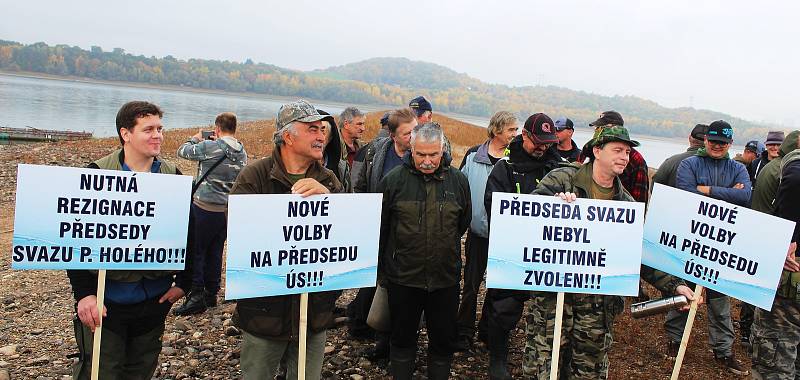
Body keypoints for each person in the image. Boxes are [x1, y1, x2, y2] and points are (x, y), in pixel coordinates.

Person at [524, 126, 697, 379]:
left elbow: (638, 252)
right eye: (617, 150)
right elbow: (524, 221)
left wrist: (675, 286)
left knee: (588, 373)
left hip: (596, 310)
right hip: (554, 301)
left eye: (627, 152)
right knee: (543, 369)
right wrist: (552, 207)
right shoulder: (562, 179)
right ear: (596, 151)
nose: (624, 157)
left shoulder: (624, 204)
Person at [68, 101, 191, 379]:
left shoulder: (172, 176)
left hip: (154, 300)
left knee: (141, 370)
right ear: (126, 134)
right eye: (148, 129)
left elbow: (189, 232)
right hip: (107, 301)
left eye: (160, 128)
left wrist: (185, 281)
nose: (158, 135)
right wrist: (85, 293)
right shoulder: (98, 173)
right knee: (101, 371)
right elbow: (76, 239)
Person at [230, 100, 343, 380]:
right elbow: (239, 235)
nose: (321, 136)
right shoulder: (254, 176)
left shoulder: (329, 180)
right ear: (289, 136)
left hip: (314, 313)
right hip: (264, 313)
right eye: (312, 129)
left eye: (323, 129)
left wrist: (329, 200)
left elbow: (345, 237)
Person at [378, 121, 471, 380]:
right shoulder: (393, 181)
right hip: (403, 278)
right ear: (411, 149)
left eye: (433, 154)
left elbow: (462, 223)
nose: (427, 161)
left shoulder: (458, 181)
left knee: (443, 341)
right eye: (421, 155)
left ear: (442, 150)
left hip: (445, 279)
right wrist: (384, 273)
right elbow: (382, 229)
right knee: (402, 338)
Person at [482, 113, 563, 379]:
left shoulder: (560, 168)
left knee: (548, 308)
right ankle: (498, 357)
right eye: (537, 141)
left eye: (547, 142)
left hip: (549, 251)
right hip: (513, 251)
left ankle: (545, 358)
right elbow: (493, 206)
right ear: (524, 136)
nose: (542, 147)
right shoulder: (504, 167)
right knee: (504, 306)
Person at [673, 120, 751, 375]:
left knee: (719, 298)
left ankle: (724, 350)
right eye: (713, 141)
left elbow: (744, 197)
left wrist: (705, 189)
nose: (717, 146)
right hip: (691, 237)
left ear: (730, 144)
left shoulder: (738, 168)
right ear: (705, 141)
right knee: (682, 291)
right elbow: (685, 194)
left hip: (720, 243)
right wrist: (726, 192)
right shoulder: (689, 163)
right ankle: (674, 339)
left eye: (723, 142)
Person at [345, 108, 418, 359]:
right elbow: (362, 185)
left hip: (410, 235)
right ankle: (375, 333)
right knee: (379, 280)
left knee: (403, 287)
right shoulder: (377, 152)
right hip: (380, 228)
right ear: (393, 134)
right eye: (408, 132)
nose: (413, 136)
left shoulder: (424, 155)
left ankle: (396, 342)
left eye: (416, 130)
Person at [454, 111, 519, 352]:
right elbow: (460, 187)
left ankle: (488, 331)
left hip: (504, 238)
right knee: (470, 285)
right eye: (511, 130)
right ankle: (463, 331)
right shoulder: (473, 155)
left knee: (497, 286)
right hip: (477, 233)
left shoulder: (516, 159)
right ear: (497, 130)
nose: (515, 134)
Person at [174, 112, 247, 316]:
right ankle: (211, 294)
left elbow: (182, 151)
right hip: (226, 210)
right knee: (215, 251)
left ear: (216, 129)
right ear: (234, 128)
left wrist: (196, 138)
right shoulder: (242, 151)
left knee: (197, 251)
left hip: (204, 207)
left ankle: (195, 296)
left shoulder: (209, 147)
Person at [744, 130, 799, 345]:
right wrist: (790, 238)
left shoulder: (775, 167)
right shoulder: (781, 169)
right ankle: (747, 331)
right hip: (776, 247)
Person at [578, 111, 650, 203]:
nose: (597, 132)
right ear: (597, 151)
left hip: (617, 211)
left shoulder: (636, 159)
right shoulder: (589, 149)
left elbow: (640, 201)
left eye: (600, 128)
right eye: (597, 129)